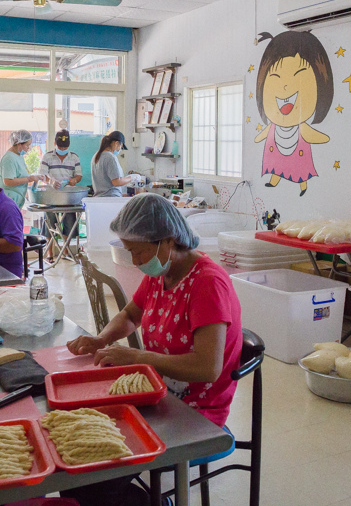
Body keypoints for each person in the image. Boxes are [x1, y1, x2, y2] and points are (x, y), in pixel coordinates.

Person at [64, 193, 243, 506]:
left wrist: (136, 357)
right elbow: (131, 314)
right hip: (159, 393)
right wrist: (101, 339)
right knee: (80, 455)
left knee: (97, 473)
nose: (135, 261)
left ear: (168, 240)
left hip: (197, 410)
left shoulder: (207, 283)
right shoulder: (163, 274)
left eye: (138, 251)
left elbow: (207, 367)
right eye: (130, 251)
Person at [252, 30, 334, 197]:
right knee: (277, 166)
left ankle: (303, 185)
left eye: (298, 76)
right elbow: (264, 133)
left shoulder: (302, 127)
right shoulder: (273, 126)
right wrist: (258, 137)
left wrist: (324, 137)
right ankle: (274, 180)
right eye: (275, 77)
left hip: (298, 150)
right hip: (277, 150)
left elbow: (312, 135)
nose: (285, 87)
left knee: (300, 168)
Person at [39, 130, 83, 259]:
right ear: (54, 143)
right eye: (60, 147)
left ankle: (65, 250)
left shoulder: (74, 157)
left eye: (65, 147)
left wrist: (74, 180)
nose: (62, 149)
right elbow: (42, 175)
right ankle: (50, 252)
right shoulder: (47, 157)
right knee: (50, 223)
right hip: (51, 195)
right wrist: (51, 181)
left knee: (69, 222)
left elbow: (79, 175)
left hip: (68, 195)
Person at [0, 129, 52, 209]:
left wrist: (35, 177)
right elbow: (8, 181)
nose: (28, 148)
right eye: (27, 145)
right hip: (8, 200)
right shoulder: (9, 158)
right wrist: (28, 179)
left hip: (16, 200)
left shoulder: (19, 157)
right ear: (19, 144)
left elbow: (21, 176)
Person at [90, 130, 141, 197]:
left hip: (99, 198)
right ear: (116, 143)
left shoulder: (96, 156)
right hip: (111, 199)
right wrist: (132, 178)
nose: (120, 150)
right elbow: (117, 182)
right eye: (121, 147)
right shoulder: (110, 157)